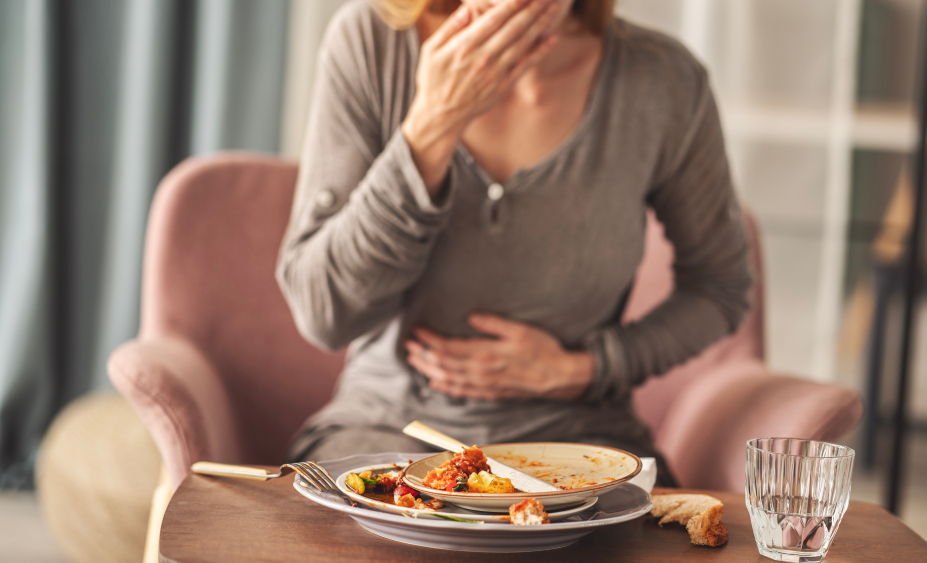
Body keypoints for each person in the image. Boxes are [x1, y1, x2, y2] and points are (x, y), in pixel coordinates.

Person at [276, 0, 751, 486]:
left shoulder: (664, 80)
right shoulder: (371, 42)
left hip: (580, 439)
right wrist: (429, 127)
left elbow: (719, 287)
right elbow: (323, 314)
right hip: (384, 427)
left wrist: (586, 369)